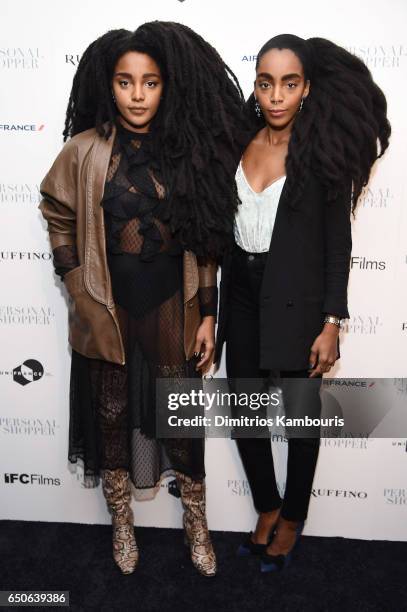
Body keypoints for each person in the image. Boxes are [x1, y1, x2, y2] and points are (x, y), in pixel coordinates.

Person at [39, 22, 244, 576]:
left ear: (167, 86)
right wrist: (76, 281)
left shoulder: (188, 153)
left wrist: (207, 313)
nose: (137, 94)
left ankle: (196, 522)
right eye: (125, 82)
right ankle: (122, 525)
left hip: (170, 304)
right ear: (108, 86)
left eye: (150, 82)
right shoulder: (82, 150)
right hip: (108, 305)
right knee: (110, 414)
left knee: (180, 418)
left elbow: (206, 242)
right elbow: (56, 213)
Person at [214, 34, 390, 572]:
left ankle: (293, 517)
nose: (276, 95)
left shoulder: (321, 153)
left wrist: (331, 322)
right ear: (256, 85)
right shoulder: (239, 142)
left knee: (299, 418)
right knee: (244, 412)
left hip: (298, 298)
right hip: (240, 293)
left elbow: (339, 246)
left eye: (290, 83)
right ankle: (267, 507)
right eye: (266, 82)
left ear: (306, 88)